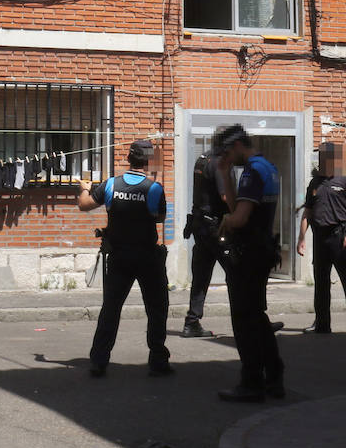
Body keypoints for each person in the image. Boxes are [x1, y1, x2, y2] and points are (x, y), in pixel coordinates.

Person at [79, 139, 172, 377]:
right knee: (157, 308)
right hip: (147, 257)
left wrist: (84, 187)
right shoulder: (154, 188)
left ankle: (99, 360)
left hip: (119, 256)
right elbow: (159, 216)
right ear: (149, 161)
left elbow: (84, 205)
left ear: (128, 158)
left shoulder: (111, 184)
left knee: (110, 309)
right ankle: (158, 360)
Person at [215, 125, 283, 402]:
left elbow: (238, 217)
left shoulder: (253, 171)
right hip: (261, 249)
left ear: (238, 145)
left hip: (249, 254)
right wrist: (224, 174)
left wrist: (223, 225)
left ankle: (251, 382)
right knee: (257, 317)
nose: (228, 158)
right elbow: (238, 206)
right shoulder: (267, 166)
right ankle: (274, 376)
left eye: (228, 153)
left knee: (244, 320)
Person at [297, 141, 346, 337]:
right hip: (320, 239)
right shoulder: (315, 183)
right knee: (321, 284)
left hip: (341, 237)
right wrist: (301, 237)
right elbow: (307, 212)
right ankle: (322, 325)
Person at [181, 147, 231, 338]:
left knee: (200, 277)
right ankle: (254, 323)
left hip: (200, 225)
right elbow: (225, 197)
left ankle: (192, 322)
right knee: (239, 273)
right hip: (216, 228)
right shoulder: (219, 163)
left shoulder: (202, 159)